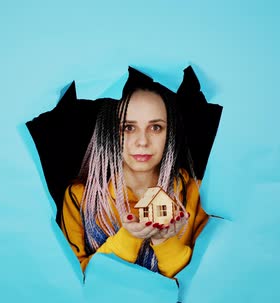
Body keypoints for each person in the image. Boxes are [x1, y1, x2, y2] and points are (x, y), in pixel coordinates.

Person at [60, 82, 209, 279]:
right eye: (128, 127)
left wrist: (165, 242)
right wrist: (129, 236)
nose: (142, 141)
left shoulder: (197, 193)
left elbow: (202, 284)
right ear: (109, 133)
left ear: (170, 133)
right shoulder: (79, 197)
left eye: (155, 127)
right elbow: (74, 279)